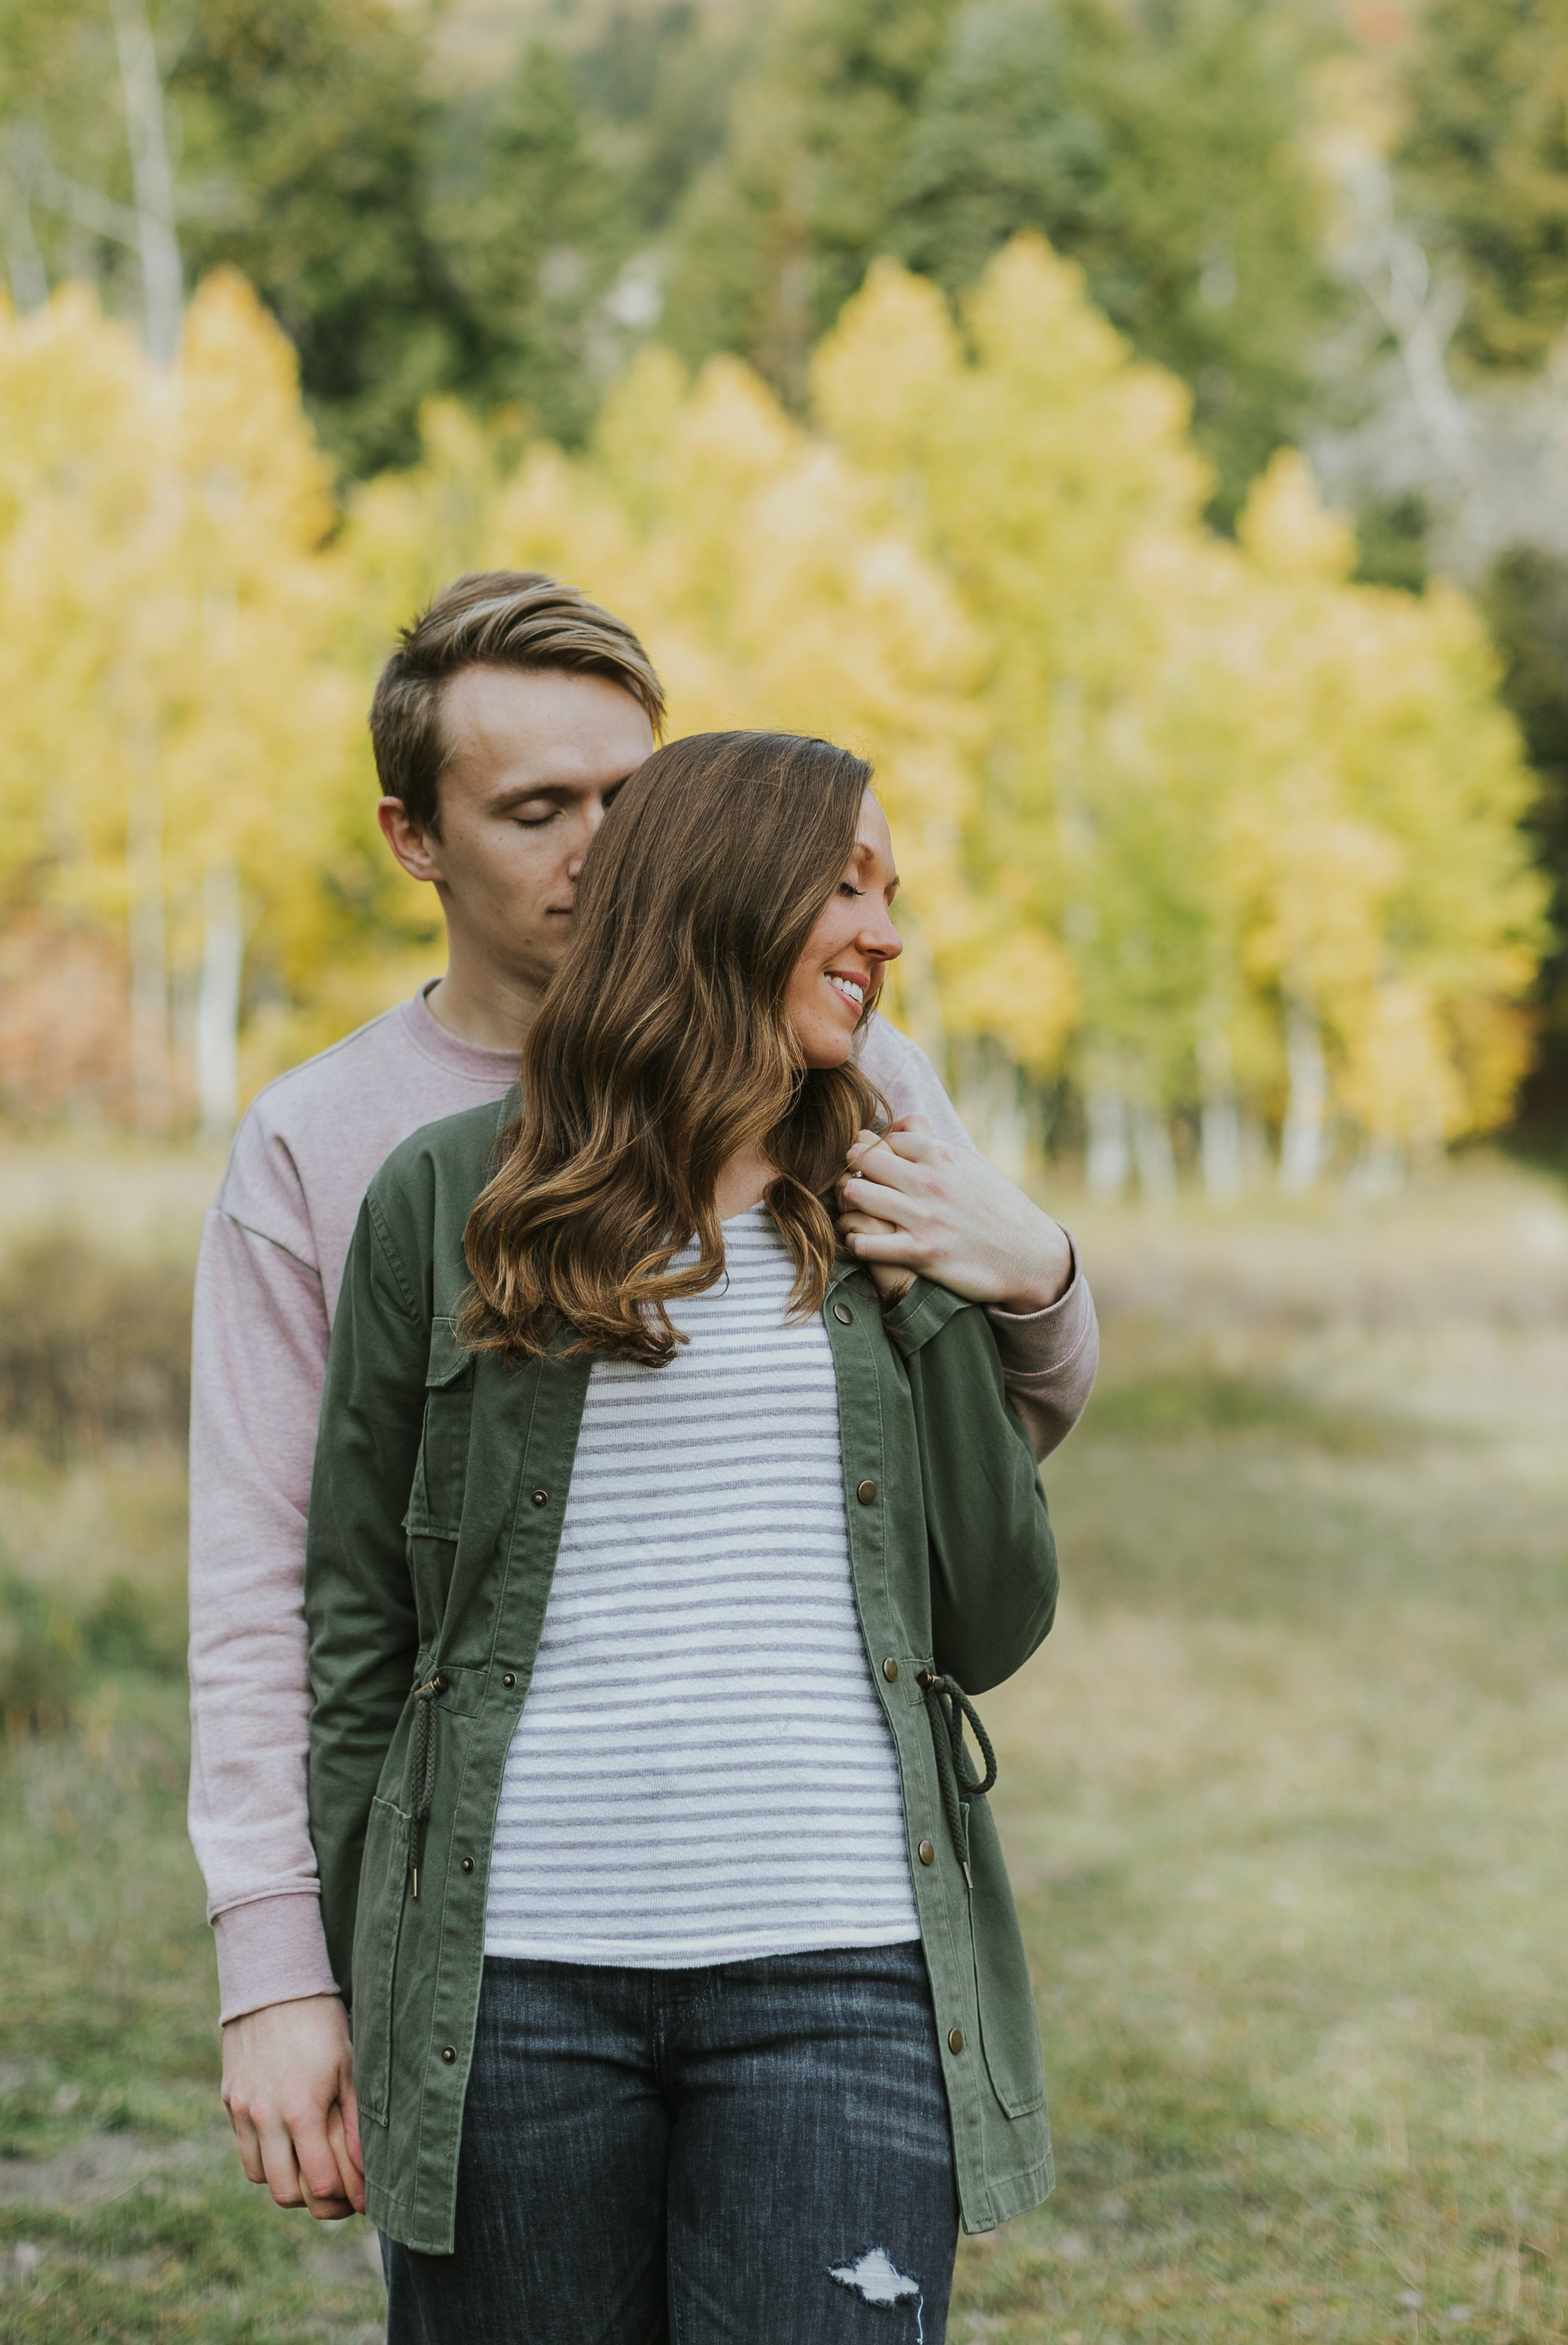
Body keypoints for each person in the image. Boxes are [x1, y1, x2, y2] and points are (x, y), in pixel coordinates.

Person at [190, 572, 1097, 2225]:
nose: (606, 850)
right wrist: (288, 1975)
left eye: (635, 796)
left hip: (818, 1921)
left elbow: (969, 1480)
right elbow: (294, 1599)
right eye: (541, 809)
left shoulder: (862, 1087)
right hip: (516, 1944)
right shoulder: (342, 1152)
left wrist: (1033, 1268)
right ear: (415, 837)